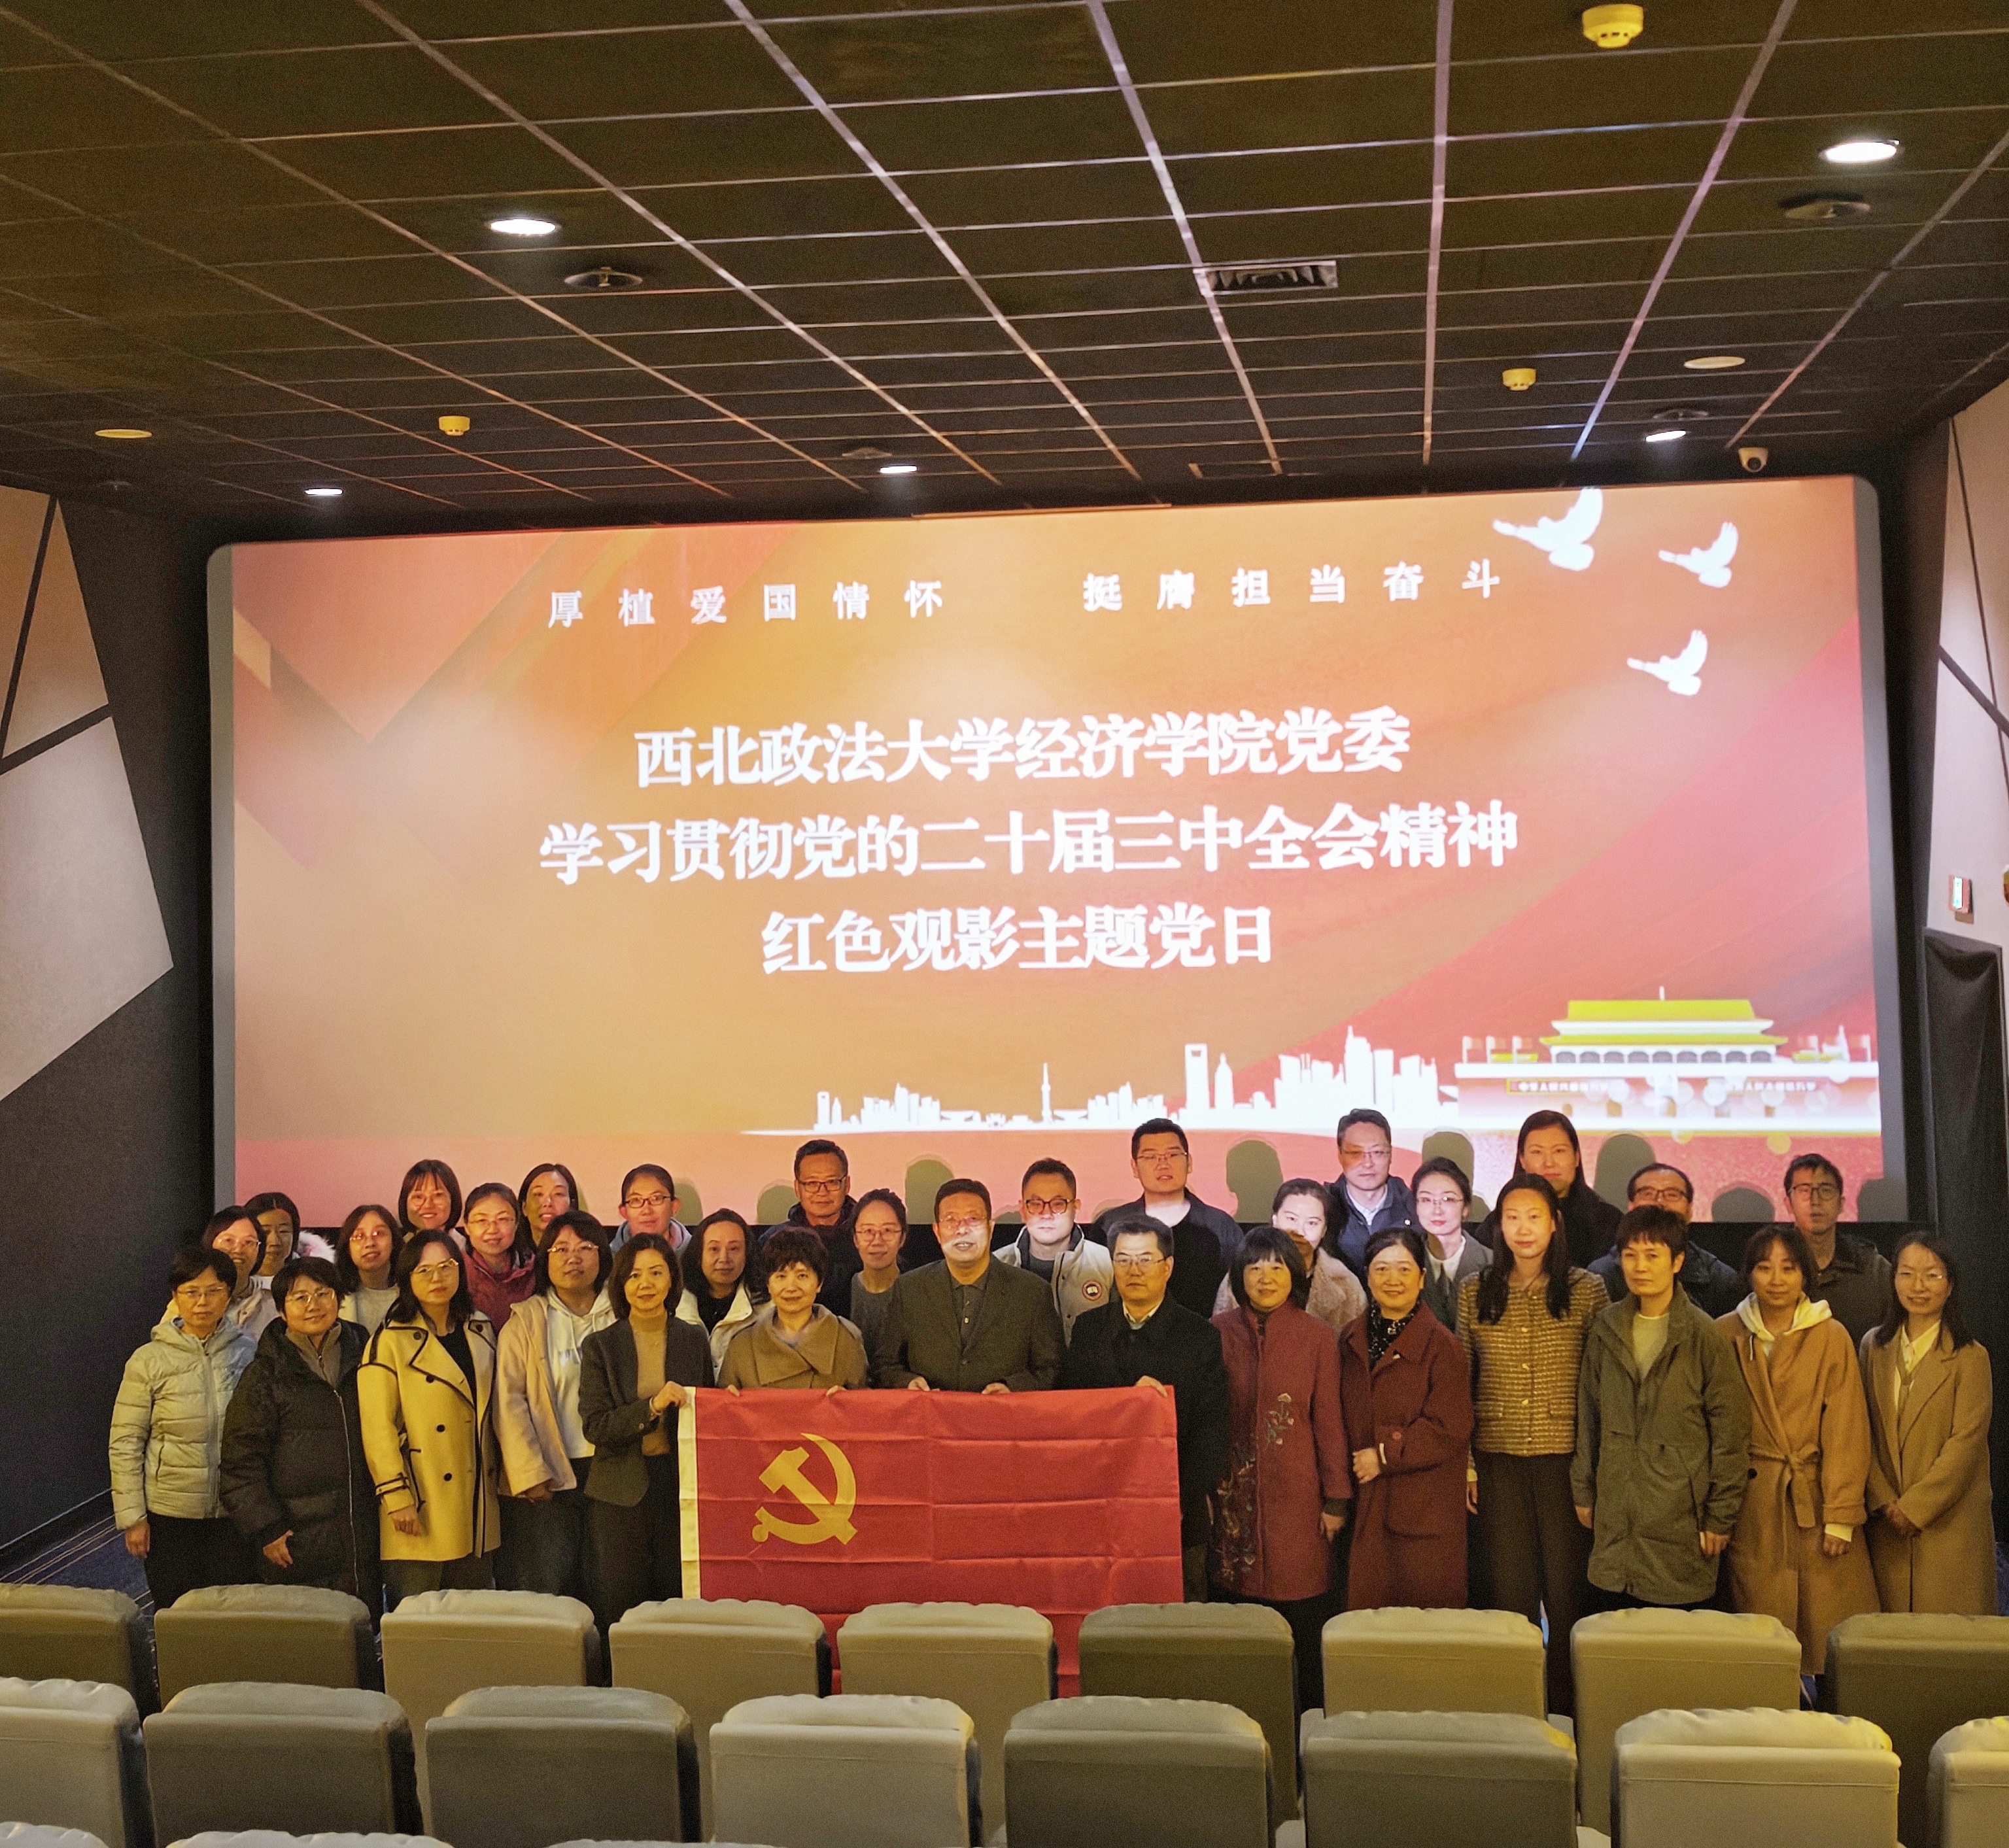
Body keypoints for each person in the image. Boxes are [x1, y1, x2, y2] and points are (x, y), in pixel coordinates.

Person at [1459, 1172, 1606, 1715]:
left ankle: (1570, 1711)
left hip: (1565, 1462)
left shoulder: (1587, 1289)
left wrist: (1592, 1471)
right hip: (1496, 1462)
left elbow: (1599, 1389)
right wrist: (1467, 1465)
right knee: (1510, 1596)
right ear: (1499, 1225)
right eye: (1512, 1217)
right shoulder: (1475, 1290)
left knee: (1568, 1597)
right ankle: (1516, 1710)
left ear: (1554, 1224)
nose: (1523, 1228)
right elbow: (1462, 1382)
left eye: (1534, 1217)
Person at [1719, 1224, 1880, 1675]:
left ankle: (1833, 1714)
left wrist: (1841, 1515)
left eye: (1788, 1268)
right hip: (1753, 1503)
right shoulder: (1724, 1334)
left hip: (1815, 1498)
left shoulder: (1831, 1336)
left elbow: (1847, 1428)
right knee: (1762, 1643)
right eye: (1764, 1267)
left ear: (1805, 1274)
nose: (1776, 1279)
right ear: (1749, 1274)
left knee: (1830, 1634)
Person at [1571, 1206, 1749, 1611]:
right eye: (1630, 1255)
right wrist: (1583, 1489)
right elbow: (1589, 1416)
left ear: (1678, 1262)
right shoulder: (1606, 1327)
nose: (1640, 1267)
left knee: (1673, 1637)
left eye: (1652, 1255)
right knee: (1613, 1634)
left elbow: (1731, 1433)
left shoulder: (1704, 1334)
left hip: (1679, 1515)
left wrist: (1720, 1516)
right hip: (1615, 1511)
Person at [1210, 1230, 1351, 1706]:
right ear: (1239, 1277)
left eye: (1276, 1267)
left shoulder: (1317, 1336)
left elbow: (1329, 1422)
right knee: (1240, 1624)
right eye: (1254, 1268)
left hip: (1300, 1496)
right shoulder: (1217, 1331)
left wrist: (1336, 1499)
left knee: (1303, 1618)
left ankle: (1306, 1718)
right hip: (1232, 1498)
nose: (1265, 1277)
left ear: (1294, 1274)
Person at [1061, 1218, 1230, 1601]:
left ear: (1167, 1267)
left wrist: (1176, 1498)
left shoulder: (1199, 1336)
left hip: (1176, 1509)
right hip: (1100, 1505)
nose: (1133, 1271)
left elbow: (1211, 1433)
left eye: (1144, 1260)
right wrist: (1127, 1404)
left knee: (1178, 1618)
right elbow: (1070, 1413)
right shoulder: (1089, 1330)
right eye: (1123, 1260)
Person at [218, 1256, 380, 1611]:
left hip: (362, 1526)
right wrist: (267, 1528)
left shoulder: (368, 1354)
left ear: (338, 1299)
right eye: (300, 1297)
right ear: (281, 1310)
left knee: (361, 1623)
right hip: (295, 1535)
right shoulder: (265, 1374)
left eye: (323, 1293)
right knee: (306, 1628)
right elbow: (240, 1462)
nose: (313, 1305)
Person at [111, 1246, 258, 1611]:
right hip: (169, 1513)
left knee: (233, 1612)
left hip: (233, 1509)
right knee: (175, 1612)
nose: (202, 1302)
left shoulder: (249, 1353)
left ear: (229, 1294)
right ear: (176, 1296)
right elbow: (126, 1442)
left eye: (213, 1291)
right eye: (191, 1292)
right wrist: (133, 1517)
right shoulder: (148, 1360)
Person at [358, 1234, 502, 1604]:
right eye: (424, 1271)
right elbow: (377, 1429)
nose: (437, 1278)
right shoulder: (388, 1341)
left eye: (446, 1267)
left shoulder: (480, 1328)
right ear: (407, 1278)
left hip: (476, 1500)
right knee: (418, 1619)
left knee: (473, 1617)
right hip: (419, 1502)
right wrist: (396, 1496)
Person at [579, 1233, 713, 1628]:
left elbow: (707, 1412)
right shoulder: (601, 1346)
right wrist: (651, 1407)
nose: (646, 1284)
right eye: (635, 1275)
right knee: (622, 1606)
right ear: (621, 1284)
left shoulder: (694, 1339)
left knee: (676, 1600)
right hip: (620, 1492)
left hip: (678, 1486)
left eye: (656, 1273)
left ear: (672, 1280)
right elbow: (596, 1425)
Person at [1860, 1232, 1997, 1614]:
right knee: (1890, 1639)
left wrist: (1914, 1509)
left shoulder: (1971, 1357)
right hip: (1886, 1523)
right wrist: (1885, 1500)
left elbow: (1966, 1444)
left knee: (1950, 1638)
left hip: (1949, 1525)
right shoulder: (1873, 1346)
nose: (1918, 1286)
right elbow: (1862, 1429)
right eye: (1907, 1274)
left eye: (1932, 1275)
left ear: (1950, 1285)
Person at [1339, 1227, 1473, 1611]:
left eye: (1404, 1269)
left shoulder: (1443, 1346)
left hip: (1423, 1508)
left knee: (1423, 1623)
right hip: (1363, 1500)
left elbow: (1450, 1427)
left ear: (1422, 1278)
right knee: (1366, 1623)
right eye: (1381, 1269)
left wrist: (1384, 1454)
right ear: (1367, 1277)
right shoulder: (1350, 1339)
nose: (1392, 1280)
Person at [494, 1212, 616, 1603]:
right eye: (560, 1249)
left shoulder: (623, 1312)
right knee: (550, 1587)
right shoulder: (526, 1321)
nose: (572, 1258)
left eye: (584, 1248)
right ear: (544, 1259)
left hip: (613, 1470)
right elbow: (509, 1402)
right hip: (551, 1473)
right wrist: (529, 1472)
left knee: (609, 1585)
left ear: (603, 1256)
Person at [876, 1179, 1065, 1392]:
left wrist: (1012, 1388)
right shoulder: (909, 1290)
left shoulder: (1031, 1293)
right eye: (951, 1220)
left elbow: (1051, 1370)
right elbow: (886, 1366)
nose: (962, 1230)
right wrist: (907, 1382)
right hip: (931, 1413)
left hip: (1002, 1413)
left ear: (990, 1228)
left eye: (973, 1219)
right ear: (937, 1231)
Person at [1091, 1118, 1231, 1318]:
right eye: (1150, 1157)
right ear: (1134, 1167)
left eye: (1172, 1155)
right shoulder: (1110, 1225)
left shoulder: (1220, 1226)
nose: (1163, 1164)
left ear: (1189, 1162)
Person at [719, 1227, 870, 1391]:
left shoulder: (846, 1340)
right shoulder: (742, 1346)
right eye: (781, 1276)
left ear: (819, 1283)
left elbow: (864, 1402)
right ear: (768, 1285)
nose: (791, 1287)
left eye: (802, 1276)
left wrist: (848, 1401)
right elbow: (722, 1404)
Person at [1212, 1180, 1365, 1337]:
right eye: (1292, 1219)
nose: (1300, 1231)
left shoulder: (1345, 1284)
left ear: (1324, 1230)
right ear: (1275, 1220)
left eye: (1312, 1223)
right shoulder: (1243, 1274)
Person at [1588, 1165, 1742, 1318]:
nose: (1660, 1202)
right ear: (1631, 1206)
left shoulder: (1720, 1279)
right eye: (1648, 1193)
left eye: (1672, 1195)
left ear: (1690, 1209)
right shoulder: (1601, 1276)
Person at [1481, 1112, 1621, 1269]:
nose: (1549, 1163)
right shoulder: (1497, 1223)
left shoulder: (1608, 1222)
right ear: (1522, 1160)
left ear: (1576, 1157)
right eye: (1537, 1152)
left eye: (1559, 1151)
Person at [995, 1159, 1114, 1343]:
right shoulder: (997, 1265)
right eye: (1036, 1204)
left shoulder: (1107, 1263)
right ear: (1023, 1210)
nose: (1046, 1214)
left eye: (1058, 1204)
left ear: (1076, 1208)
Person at [1784, 1154, 1893, 1346]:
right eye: (1804, 1190)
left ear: (1841, 1204)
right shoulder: (1771, 1268)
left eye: (1826, 1190)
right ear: (1788, 1204)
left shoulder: (1874, 1270)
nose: (1815, 1200)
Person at [764, 1138, 863, 1313]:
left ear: (847, 1185)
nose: (822, 1192)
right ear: (797, 1188)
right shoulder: (774, 1241)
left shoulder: (866, 1237)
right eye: (812, 1184)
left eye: (832, 1182)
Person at [1328, 1110, 1417, 1276]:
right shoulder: (1322, 1209)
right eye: (1356, 1153)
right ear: (1340, 1155)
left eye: (1377, 1153)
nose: (1368, 1163)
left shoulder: (1416, 1209)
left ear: (1390, 1155)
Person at [1413, 1157, 1489, 1331]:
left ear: (1466, 1207)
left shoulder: (1492, 1264)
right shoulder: (1406, 1263)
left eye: (1447, 1199)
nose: (1437, 1210)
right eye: (1426, 1200)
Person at [679, 1209, 758, 1372]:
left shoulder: (766, 1306)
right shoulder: (675, 1303)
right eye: (714, 1249)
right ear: (699, 1254)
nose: (724, 1259)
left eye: (734, 1249)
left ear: (747, 1253)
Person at [461, 1182, 536, 1331]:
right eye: (481, 1221)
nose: (492, 1229)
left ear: (516, 1224)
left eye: (503, 1219)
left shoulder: (534, 1271)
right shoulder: (456, 1272)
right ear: (467, 1227)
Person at [197, 1207, 279, 1341]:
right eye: (229, 1241)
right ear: (210, 1243)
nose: (238, 1250)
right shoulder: (191, 1298)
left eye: (248, 1242)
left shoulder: (274, 1302)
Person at [847, 1187, 909, 1358]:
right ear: (856, 1238)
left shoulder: (918, 1291)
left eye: (888, 1231)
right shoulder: (842, 1289)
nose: (877, 1241)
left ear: (902, 1238)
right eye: (868, 1231)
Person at [336, 1205, 404, 1334]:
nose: (370, 1243)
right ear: (348, 1248)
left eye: (379, 1233)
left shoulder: (413, 1292)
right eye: (359, 1236)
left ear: (394, 1241)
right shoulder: (334, 1298)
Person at [247, 1190, 332, 1275]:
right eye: (265, 1232)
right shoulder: (239, 1280)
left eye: (283, 1231)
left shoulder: (314, 1277)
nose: (275, 1242)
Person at [616, 1165, 686, 1256]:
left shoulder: (698, 1255)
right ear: (624, 1212)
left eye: (656, 1198)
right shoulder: (608, 1259)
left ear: (673, 1207)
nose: (647, 1211)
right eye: (636, 1200)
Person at [519, 1163, 581, 1247]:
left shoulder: (585, 1252)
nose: (548, 1203)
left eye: (558, 1194)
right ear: (524, 1207)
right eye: (538, 1194)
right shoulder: (513, 1254)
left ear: (572, 1205)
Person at [398, 1159, 461, 1237]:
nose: (428, 1205)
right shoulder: (395, 1243)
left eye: (438, 1195)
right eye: (418, 1197)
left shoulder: (469, 1243)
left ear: (453, 1200)